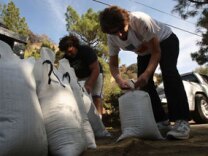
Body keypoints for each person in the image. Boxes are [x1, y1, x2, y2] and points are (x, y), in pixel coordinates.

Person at [99, 6, 190, 139]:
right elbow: (113, 64)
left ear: (127, 21)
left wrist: (147, 73)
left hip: (165, 41)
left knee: (168, 72)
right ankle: (162, 121)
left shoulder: (140, 20)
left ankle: (182, 121)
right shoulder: (112, 37)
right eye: (114, 32)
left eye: (120, 29)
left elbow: (156, 52)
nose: (119, 35)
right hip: (144, 52)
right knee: (143, 85)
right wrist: (119, 79)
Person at [59, 34, 103, 118]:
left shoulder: (85, 50)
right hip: (81, 77)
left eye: (70, 51)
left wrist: (89, 84)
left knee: (96, 96)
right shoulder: (66, 58)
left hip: (95, 73)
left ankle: (99, 120)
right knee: (82, 98)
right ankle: (88, 120)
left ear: (74, 45)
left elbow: (95, 69)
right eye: (66, 52)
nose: (68, 54)